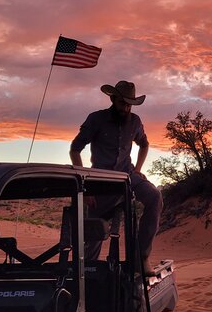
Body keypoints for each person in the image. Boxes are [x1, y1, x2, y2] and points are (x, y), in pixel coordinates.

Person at [69, 80, 163, 276]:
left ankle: (141, 258)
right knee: (94, 232)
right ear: (113, 99)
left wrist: (138, 169)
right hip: (100, 181)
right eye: (123, 103)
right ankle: (86, 272)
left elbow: (144, 144)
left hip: (127, 175)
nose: (126, 108)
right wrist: (84, 187)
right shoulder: (96, 119)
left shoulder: (135, 121)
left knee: (154, 196)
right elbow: (75, 149)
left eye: (130, 104)